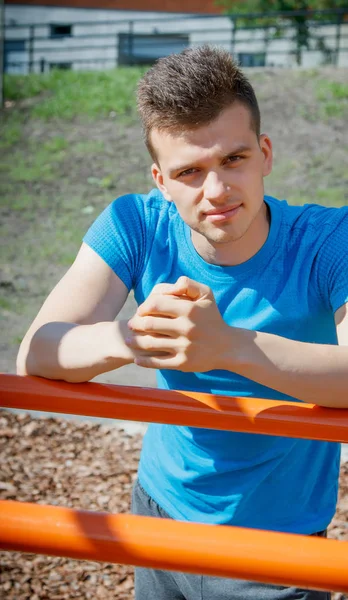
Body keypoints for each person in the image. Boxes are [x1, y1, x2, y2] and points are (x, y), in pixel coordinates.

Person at [17, 46, 348, 600]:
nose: (216, 192)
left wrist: (226, 346)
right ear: (160, 180)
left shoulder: (328, 240)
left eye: (233, 160)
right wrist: (132, 337)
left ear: (265, 153)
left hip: (278, 551)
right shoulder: (136, 223)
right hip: (158, 516)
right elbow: (38, 349)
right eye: (189, 172)